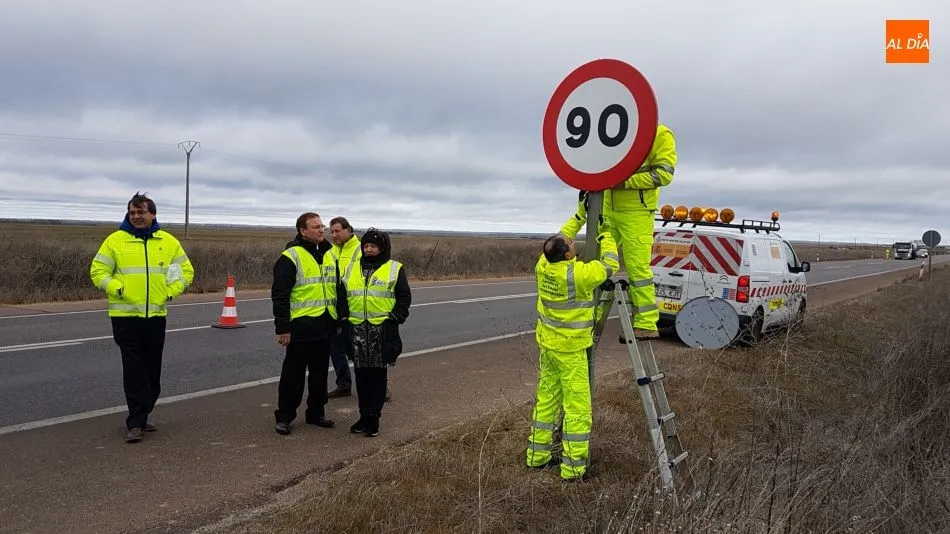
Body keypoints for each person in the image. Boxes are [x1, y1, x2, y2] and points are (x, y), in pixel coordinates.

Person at [89, 192, 195, 443]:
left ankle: (143, 412)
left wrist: (170, 292)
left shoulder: (167, 242)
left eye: (141, 212)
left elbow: (186, 272)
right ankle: (136, 422)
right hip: (125, 316)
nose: (136, 216)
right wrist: (118, 288)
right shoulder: (115, 241)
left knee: (152, 370)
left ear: (153, 214)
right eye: (132, 212)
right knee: (134, 368)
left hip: (155, 316)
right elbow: (98, 271)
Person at [525, 206, 620, 481]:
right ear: (567, 255)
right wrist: (606, 234)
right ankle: (573, 470)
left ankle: (536, 457)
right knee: (577, 408)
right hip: (571, 351)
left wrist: (580, 216)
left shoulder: (543, 266)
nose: (573, 242)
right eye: (571, 244)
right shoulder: (579, 275)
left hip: (548, 346)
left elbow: (560, 236)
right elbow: (610, 264)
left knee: (546, 402)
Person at [595, 122, 676, 340]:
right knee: (596, 264)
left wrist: (625, 182)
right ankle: (591, 317)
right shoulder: (614, 132)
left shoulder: (659, 133)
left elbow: (664, 175)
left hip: (636, 212)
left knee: (637, 268)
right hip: (606, 208)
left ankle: (646, 323)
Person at [271, 212, 340, 435]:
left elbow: (337, 288)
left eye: (322, 226)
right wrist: (283, 328)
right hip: (301, 326)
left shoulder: (330, 253)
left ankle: (316, 413)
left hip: (325, 324)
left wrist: (340, 318)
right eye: (316, 227)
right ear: (303, 231)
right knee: (293, 376)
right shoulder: (291, 257)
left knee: (320, 374)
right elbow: (280, 295)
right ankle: (285, 416)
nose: (322, 230)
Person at [338, 228, 411, 437]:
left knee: (377, 377)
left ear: (382, 248)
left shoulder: (394, 268)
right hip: (357, 329)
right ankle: (363, 416)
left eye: (373, 246)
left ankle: (374, 419)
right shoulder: (352, 268)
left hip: (381, 330)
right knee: (361, 376)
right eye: (366, 246)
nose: (369, 250)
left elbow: (404, 298)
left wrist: (394, 319)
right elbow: (342, 296)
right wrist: (344, 319)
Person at [326, 216, 359, 398]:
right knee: (336, 348)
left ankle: (379, 387)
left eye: (337, 231)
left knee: (360, 351)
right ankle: (343, 385)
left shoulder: (360, 249)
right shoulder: (331, 251)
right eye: (331, 231)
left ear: (348, 230)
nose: (334, 235)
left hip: (355, 308)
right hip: (336, 308)